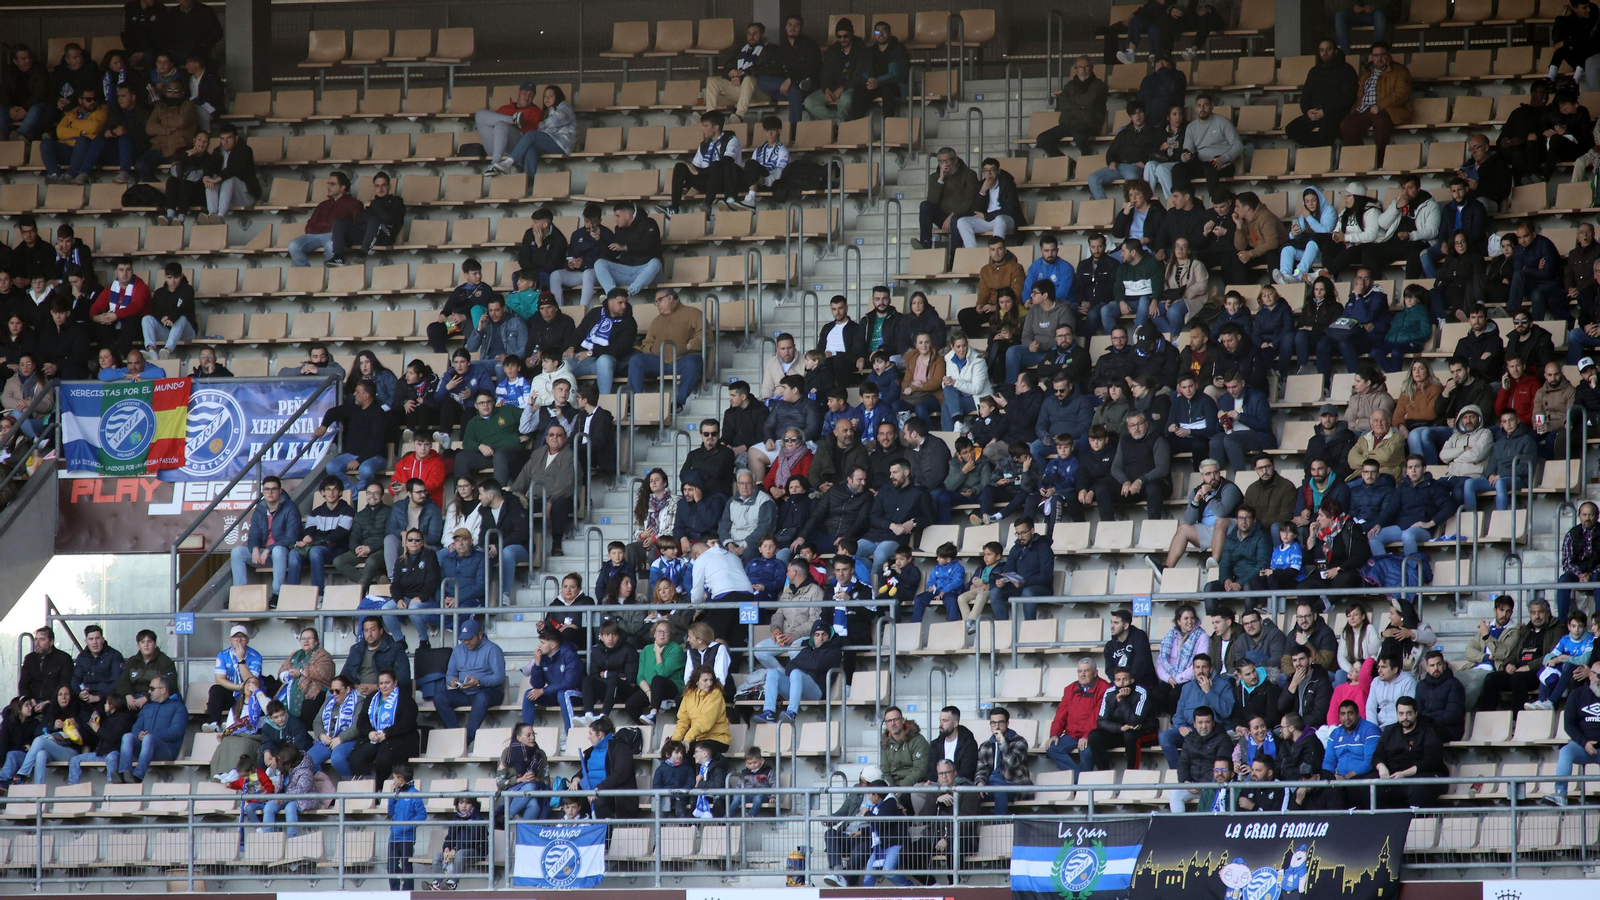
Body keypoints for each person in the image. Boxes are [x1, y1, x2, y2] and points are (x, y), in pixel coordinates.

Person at [1478, 598, 1560, 711]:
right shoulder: (1526, 629)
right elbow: (1514, 652)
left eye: (1540, 612)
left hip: (1540, 671)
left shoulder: (1556, 628)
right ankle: (1486, 718)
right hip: (1519, 670)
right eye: (1533, 613)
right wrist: (1509, 664)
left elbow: (1553, 654)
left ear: (1548, 612)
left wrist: (1529, 667)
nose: (1537, 616)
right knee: (1491, 678)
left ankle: (1518, 719)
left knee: (1518, 678)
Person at [1341, 42, 1411, 165]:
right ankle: (1363, 158)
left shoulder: (1400, 71)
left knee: (1381, 122)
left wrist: (1379, 105)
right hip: (1364, 109)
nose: (1379, 58)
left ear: (1388, 55)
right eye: (1375, 55)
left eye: (1382, 54)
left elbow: (1401, 93)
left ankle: (1379, 160)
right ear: (1371, 57)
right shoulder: (1367, 72)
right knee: (1346, 125)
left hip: (1388, 109)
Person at [104, 675, 184, 784]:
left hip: (166, 750)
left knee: (149, 738)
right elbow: (136, 726)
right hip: (144, 746)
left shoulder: (178, 707)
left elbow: (176, 732)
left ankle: (137, 776)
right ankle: (124, 773)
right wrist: (139, 734)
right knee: (127, 736)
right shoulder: (147, 707)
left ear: (163, 690)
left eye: (152, 688)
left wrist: (150, 735)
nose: (149, 691)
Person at [1546, 657, 1600, 807]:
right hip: (1582, 747)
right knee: (1566, 751)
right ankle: (1560, 793)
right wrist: (1584, 742)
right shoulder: (1576, 695)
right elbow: (1569, 724)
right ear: (1591, 675)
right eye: (1599, 676)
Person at [1286, 41, 1358, 147]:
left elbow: (1348, 98)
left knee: (1326, 132)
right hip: (1315, 114)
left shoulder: (1347, 70)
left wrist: (1326, 111)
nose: (1325, 53)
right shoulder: (1314, 72)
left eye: (1328, 49)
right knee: (1292, 129)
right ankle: (1319, 149)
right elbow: (1306, 95)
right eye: (1322, 50)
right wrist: (1307, 111)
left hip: (1337, 114)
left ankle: (1322, 155)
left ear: (1335, 51)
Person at [1045, 658, 1111, 772]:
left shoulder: (1105, 688)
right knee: (1052, 748)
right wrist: (1055, 734)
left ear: (1095, 673)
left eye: (1086, 671)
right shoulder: (1070, 689)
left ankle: (1079, 785)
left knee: (1086, 752)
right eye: (1080, 671)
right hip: (1071, 735)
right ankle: (1078, 781)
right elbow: (1061, 714)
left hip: (1091, 735)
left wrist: (1086, 736)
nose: (1082, 675)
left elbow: (1098, 715)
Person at [1087, 668, 1156, 771]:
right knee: (1094, 735)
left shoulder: (1141, 692)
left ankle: (1132, 773)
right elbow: (1101, 721)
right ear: (1114, 681)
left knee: (1130, 735)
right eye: (1118, 680)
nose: (1122, 683)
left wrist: (1121, 700)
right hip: (1119, 732)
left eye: (1125, 679)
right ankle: (1104, 773)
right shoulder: (1109, 693)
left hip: (1143, 730)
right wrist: (1120, 728)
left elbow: (1134, 721)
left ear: (1132, 680)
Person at [288, 172, 362, 267]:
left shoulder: (354, 204)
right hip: (314, 235)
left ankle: (335, 279)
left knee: (330, 244)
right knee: (293, 245)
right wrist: (312, 230)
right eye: (328, 184)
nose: (328, 187)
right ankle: (306, 276)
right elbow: (310, 223)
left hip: (334, 236)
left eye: (332, 184)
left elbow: (356, 225)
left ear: (342, 188)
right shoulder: (323, 205)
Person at [1038, 57, 1106, 156]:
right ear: (1075, 69)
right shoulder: (1069, 85)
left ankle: (1086, 158)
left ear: (1091, 68)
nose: (1083, 70)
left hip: (1089, 123)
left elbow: (1088, 102)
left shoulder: (1099, 85)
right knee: (1042, 139)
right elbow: (1062, 103)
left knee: (1079, 137)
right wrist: (1080, 107)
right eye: (1079, 67)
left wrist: (1073, 104)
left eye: (1086, 67)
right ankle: (1068, 163)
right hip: (1068, 123)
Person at [805, 19, 867, 123]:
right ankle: (837, 123)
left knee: (845, 100)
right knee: (809, 102)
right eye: (839, 36)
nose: (842, 39)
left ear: (852, 34)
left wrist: (842, 88)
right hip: (833, 87)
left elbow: (859, 75)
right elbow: (825, 72)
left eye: (846, 36)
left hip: (853, 87)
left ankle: (840, 124)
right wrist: (826, 89)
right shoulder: (832, 50)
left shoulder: (861, 49)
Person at [507, 85, 577, 178]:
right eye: (545, 96)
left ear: (558, 96)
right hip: (552, 142)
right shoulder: (548, 112)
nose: (547, 98)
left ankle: (510, 162)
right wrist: (543, 125)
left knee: (531, 135)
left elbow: (555, 121)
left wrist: (542, 125)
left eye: (551, 96)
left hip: (562, 144)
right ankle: (529, 185)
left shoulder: (565, 106)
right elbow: (546, 127)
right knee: (531, 150)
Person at [473, 83, 541, 177]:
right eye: (525, 92)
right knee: (479, 114)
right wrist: (510, 121)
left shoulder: (535, 111)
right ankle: (512, 120)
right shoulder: (505, 108)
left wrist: (510, 126)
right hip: (495, 146)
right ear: (518, 92)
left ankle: (494, 164)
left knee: (501, 125)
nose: (527, 97)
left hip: (515, 147)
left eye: (531, 95)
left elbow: (529, 135)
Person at [578, 716, 638, 820]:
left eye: (590, 734)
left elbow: (620, 774)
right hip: (590, 792)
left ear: (599, 734)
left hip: (612, 794)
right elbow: (584, 770)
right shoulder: (590, 751)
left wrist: (598, 789)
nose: (589, 737)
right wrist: (576, 779)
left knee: (599, 802)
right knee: (569, 799)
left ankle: (605, 834)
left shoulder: (620, 748)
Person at [386, 764, 427, 890]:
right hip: (393, 837)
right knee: (391, 867)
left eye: (395, 778)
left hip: (406, 838)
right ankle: (394, 891)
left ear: (401, 779)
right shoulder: (397, 793)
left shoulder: (414, 793)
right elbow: (391, 812)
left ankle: (407, 891)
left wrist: (407, 826)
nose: (394, 781)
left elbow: (422, 815)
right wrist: (391, 796)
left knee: (406, 865)